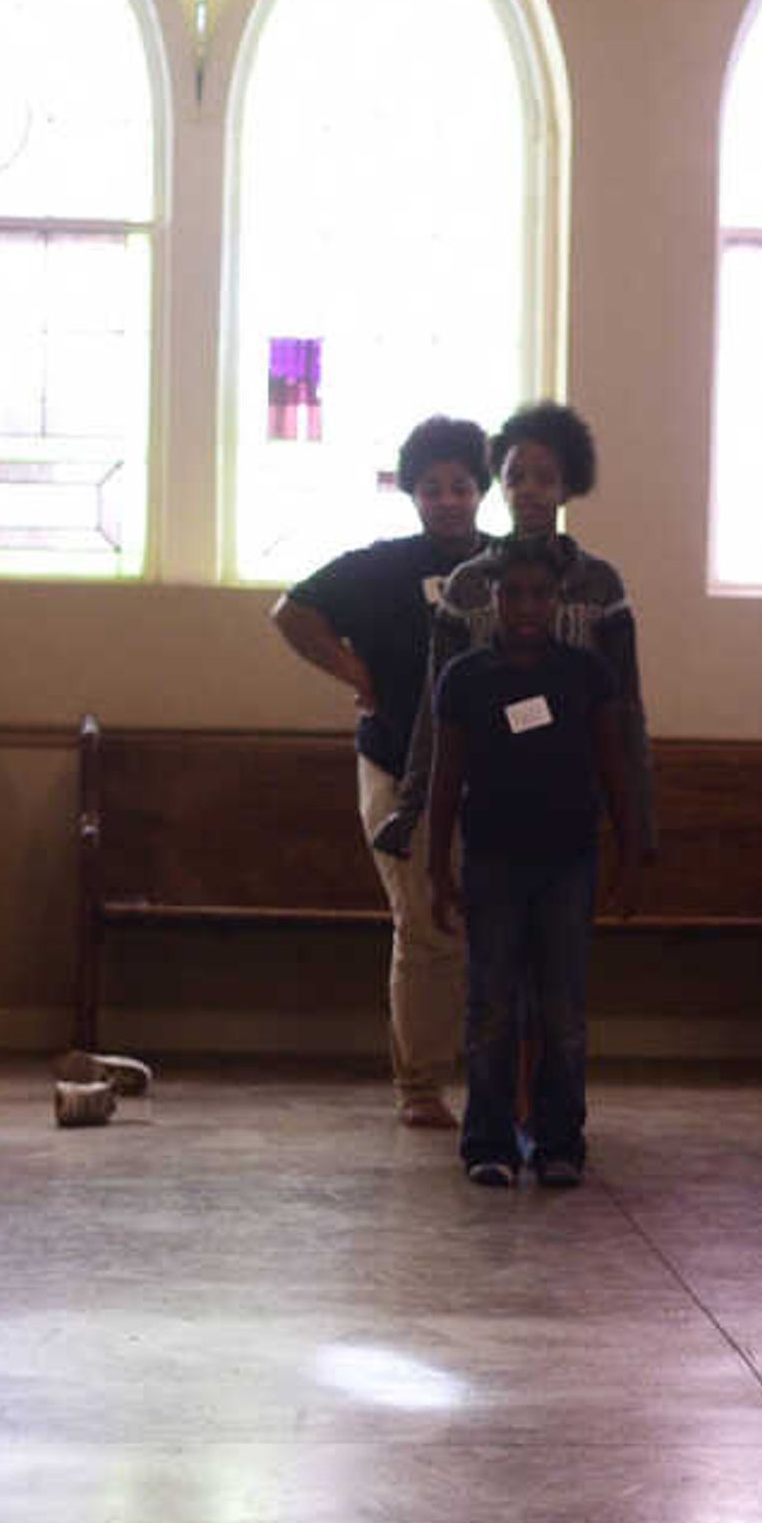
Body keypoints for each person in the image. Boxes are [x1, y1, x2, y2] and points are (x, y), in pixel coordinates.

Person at [269, 415, 492, 1128]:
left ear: (481, 489)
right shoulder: (382, 565)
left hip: (492, 777)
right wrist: (352, 671)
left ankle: (492, 1074)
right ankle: (419, 1084)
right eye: (432, 488)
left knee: (486, 927)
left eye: (461, 485)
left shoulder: (505, 564)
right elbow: (292, 612)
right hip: (399, 767)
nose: (448, 500)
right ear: (413, 494)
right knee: (424, 923)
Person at [424, 537, 634, 1190]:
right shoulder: (466, 678)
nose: (524, 607)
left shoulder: (585, 675)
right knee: (491, 1008)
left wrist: (628, 851)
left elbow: (612, 765)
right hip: (492, 863)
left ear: (558, 602)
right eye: (511, 593)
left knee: (562, 1012)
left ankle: (559, 1141)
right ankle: (488, 1141)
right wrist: (437, 866)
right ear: (491, 599)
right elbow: (445, 775)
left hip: (568, 863)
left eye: (539, 594)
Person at [375, 402, 653, 868]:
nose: (529, 491)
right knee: (489, 936)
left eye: (544, 478)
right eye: (516, 477)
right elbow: (436, 706)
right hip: (488, 798)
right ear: (499, 486)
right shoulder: (466, 586)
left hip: (571, 797)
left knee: (562, 935)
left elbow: (626, 707)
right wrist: (411, 803)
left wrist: (638, 819)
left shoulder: (601, 585)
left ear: (567, 487)